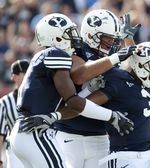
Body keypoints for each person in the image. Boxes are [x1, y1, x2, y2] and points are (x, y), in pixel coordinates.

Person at [9, 13, 134, 168]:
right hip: (56, 132)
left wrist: (89, 89)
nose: (112, 42)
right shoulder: (62, 53)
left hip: (55, 129)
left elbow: (75, 98)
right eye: (107, 38)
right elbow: (77, 88)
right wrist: (111, 116)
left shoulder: (53, 54)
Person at [54, 9, 141, 168]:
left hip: (99, 136)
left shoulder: (108, 58)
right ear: (90, 34)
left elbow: (135, 75)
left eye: (114, 39)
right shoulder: (76, 50)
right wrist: (114, 58)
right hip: (68, 132)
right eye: (107, 38)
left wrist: (128, 39)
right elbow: (80, 75)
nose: (112, 43)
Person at [92, 40, 150, 168]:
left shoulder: (147, 86)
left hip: (148, 154)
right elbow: (84, 104)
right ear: (140, 65)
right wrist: (109, 115)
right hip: (124, 155)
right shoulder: (119, 80)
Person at [0, 59, 29, 168]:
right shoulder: (4, 102)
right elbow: (1, 135)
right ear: (13, 77)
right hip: (15, 151)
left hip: (38, 147)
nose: (28, 75)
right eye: (25, 73)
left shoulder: (40, 96)